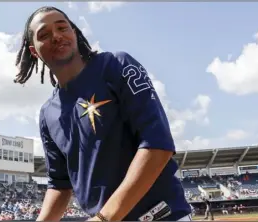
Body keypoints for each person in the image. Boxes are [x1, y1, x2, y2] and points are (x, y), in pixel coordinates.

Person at [14, 6, 192, 221]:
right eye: (44, 34)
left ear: (74, 32)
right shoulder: (47, 114)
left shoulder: (116, 65)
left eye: (62, 27)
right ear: (34, 50)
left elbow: (157, 145)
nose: (57, 36)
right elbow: (60, 185)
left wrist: (105, 217)